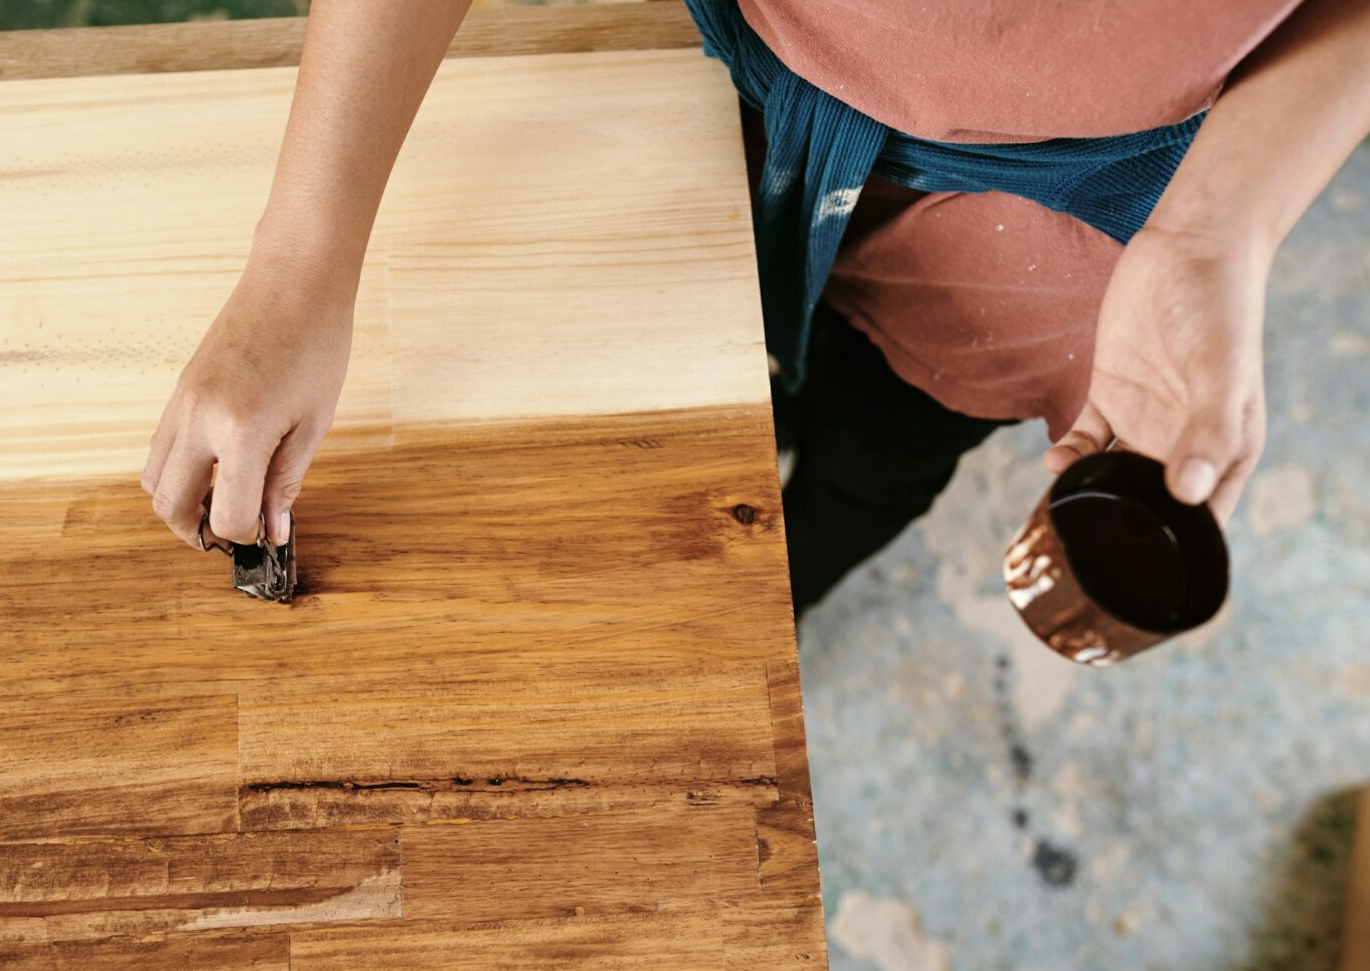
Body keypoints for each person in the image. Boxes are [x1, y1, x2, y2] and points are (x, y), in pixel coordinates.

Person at [142, 0, 1370, 619]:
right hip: (732, 75)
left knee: (874, 459)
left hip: (1067, 225)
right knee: (645, 392)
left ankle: (772, 604)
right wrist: (298, 264)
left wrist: (1217, 228)